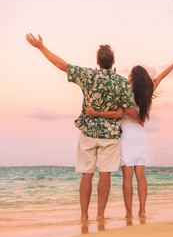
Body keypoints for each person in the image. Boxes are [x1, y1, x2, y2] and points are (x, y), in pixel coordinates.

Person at [26, 33, 138, 221]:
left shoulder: (88, 75)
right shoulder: (121, 82)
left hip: (88, 131)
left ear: (97, 61)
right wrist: (140, 118)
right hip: (110, 135)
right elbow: (128, 110)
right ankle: (100, 214)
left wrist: (41, 47)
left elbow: (62, 65)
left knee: (86, 175)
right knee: (105, 174)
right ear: (113, 62)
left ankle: (84, 216)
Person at [85, 57, 173, 218]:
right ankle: (142, 210)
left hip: (126, 134)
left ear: (133, 77)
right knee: (141, 175)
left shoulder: (125, 90)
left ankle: (129, 213)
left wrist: (95, 113)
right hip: (139, 135)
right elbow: (161, 77)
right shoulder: (148, 90)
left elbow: (119, 112)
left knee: (127, 176)